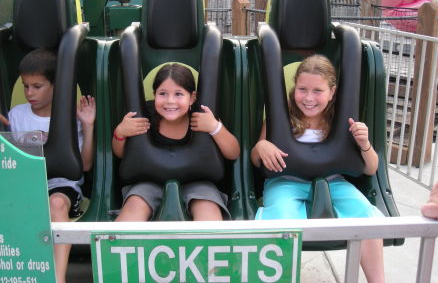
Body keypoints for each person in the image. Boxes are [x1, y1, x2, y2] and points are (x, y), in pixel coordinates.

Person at [250, 54, 385, 283]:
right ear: (294, 89)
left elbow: (371, 169)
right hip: (286, 182)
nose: (309, 98)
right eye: (302, 89)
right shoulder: (281, 120)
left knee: (365, 214)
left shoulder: (342, 122)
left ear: (332, 92)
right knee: (282, 220)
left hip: (334, 182)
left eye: (318, 91)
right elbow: (256, 160)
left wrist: (364, 144)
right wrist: (261, 146)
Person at [1, 48, 96, 283]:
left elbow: (85, 164)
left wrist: (88, 126)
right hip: (24, 182)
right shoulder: (16, 115)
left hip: (61, 183)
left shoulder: (69, 118)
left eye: (37, 86)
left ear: (56, 86)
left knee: (56, 203)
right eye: (25, 86)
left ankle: (58, 276)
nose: (29, 93)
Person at [112, 63, 240, 221]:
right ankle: (122, 243)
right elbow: (121, 153)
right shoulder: (145, 115)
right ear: (154, 94)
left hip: (198, 182)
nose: (170, 101)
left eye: (179, 94)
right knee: (135, 206)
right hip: (149, 182)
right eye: (163, 93)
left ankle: (209, 244)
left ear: (192, 97)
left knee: (207, 209)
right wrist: (120, 132)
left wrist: (215, 127)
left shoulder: (203, 117)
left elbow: (233, 152)